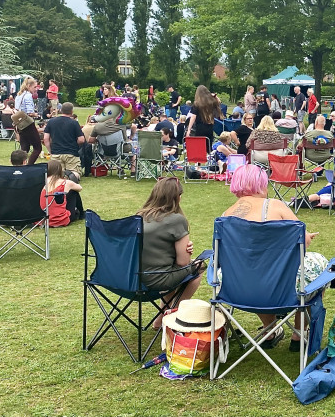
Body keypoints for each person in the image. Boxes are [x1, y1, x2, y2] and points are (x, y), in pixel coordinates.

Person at [223, 164, 322, 351]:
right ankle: (299, 333)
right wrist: (308, 237)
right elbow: (303, 239)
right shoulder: (275, 206)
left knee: (253, 272)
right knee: (320, 269)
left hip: (237, 289)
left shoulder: (226, 216)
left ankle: (270, 329)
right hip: (281, 287)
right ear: (260, 185)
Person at [137, 177, 206, 329]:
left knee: (174, 271)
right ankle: (170, 314)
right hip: (157, 279)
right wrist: (185, 251)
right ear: (177, 197)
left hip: (131, 279)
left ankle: (160, 318)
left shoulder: (139, 216)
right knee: (199, 266)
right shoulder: (176, 220)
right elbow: (183, 262)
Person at [43, 103, 85, 180]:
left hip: (56, 152)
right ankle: (71, 177)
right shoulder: (74, 123)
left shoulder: (51, 122)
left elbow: (46, 139)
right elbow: (81, 139)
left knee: (56, 174)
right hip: (71, 153)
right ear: (72, 111)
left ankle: (59, 178)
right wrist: (75, 145)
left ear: (61, 110)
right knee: (75, 172)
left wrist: (50, 151)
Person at [40, 160, 83, 228]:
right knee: (73, 192)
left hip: (44, 219)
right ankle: (82, 213)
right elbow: (80, 188)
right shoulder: (65, 182)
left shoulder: (42, 182)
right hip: (61, 220)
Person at [14, 77, 44, 165]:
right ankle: (29, 166)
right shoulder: (28, 96)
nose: (36, 89)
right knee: (38, 148)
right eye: (34, 87)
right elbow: (30, 112)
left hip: (20, 124)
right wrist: (36, 114)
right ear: (28, 86)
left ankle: (19, 164)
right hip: (28, 124)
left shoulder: (19, 95)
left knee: (25, 148)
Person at [185, 85, 222, 153]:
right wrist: (214, 96)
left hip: (200, 127)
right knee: (209, 147)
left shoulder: (197, 104)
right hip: (209, 126)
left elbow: (193, 117)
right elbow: (219, 102)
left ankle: (199, 161)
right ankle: (215, 161)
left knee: (199, 147)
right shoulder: (211, 103)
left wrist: (189, 129)